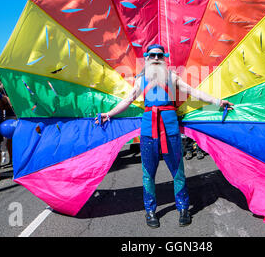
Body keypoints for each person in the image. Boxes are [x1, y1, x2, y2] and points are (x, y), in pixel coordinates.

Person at [95, 44, 233, 228]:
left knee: (177, 170)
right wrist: (109, 114)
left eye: (160, 56)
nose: (156, 59)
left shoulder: (172, 77)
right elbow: (127, 100)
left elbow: (193, 92)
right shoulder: (140, 80)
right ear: (147, 58)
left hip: (170, 129)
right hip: (148, 130)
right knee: (148, 173)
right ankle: (150, 211)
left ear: (164, 59)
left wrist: (218, 102)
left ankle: (183, 208)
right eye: (152, 56)